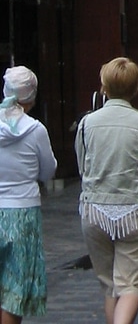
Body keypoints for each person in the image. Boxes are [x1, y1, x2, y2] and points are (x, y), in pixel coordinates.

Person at [75, 57, 138, 324]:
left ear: (104, 87)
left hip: (95, 210)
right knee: (131, 283)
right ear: (135, 88)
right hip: (135, 209)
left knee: (109, 285)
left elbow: (81, 164)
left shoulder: (87, 124)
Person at [0, 65, 57, 324]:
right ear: (31, 97)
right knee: (15, 287)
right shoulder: (35, 130)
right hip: (23, 210)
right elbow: (48, 171)